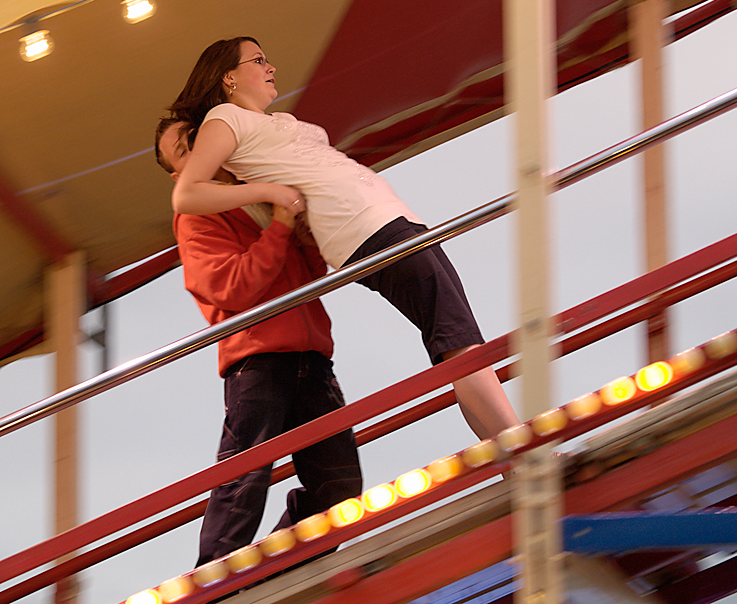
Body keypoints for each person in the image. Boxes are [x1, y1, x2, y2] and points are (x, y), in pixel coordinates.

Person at [168, 36, 521, 441]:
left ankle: (511, 450)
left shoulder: (274, 121)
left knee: (458, 336)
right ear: (228, 76)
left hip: (389, 219)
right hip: (363, 227)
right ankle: (518, 447)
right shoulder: (225, 118)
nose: (271, 67)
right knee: (457, 338)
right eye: (259, 60)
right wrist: (270, 193)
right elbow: (188, 192)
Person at [155, 117, 362, 566]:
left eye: (197, 139)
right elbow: (235, 287)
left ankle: (268, 573)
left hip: (308, 355)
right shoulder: (195, 214)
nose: (197, 151)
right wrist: (282, 226)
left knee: (339, 487)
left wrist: (298, 227)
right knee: (242, 484)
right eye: (184, 150)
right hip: (258, 359)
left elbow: (308, 268)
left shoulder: (257, 188)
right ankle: (216, 584)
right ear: (178, 175)